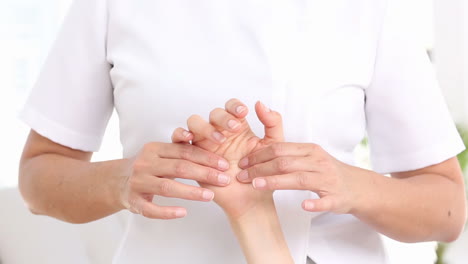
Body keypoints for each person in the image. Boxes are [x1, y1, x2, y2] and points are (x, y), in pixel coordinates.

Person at [18, 0, 466, 263]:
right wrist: (122, 180)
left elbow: (447, 210)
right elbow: (38, 180)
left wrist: (348, 185)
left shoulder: (366, 10)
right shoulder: (113, 6)